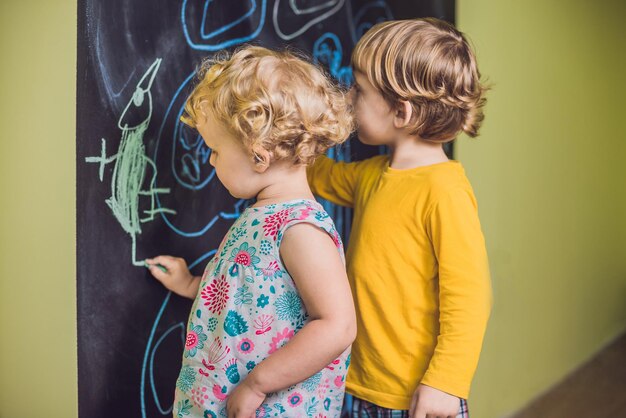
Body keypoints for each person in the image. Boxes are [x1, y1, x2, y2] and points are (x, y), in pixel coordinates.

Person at [146, 45, 356, 418]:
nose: (210, 160)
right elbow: (247, 292)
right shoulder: (260, 215)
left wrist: (259, 383)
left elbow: (337, 326)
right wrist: (190, 285)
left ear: (259, 156)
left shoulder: (301, 229)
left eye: (215, 150)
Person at [307, 18, 492, 418]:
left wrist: (445, 383)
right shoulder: (373, 175)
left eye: (359, 89)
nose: (350, 95)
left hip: (419, 398)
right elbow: (319, 175)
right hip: (359, 384)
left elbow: (470, 299)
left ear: (401, 112)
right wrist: (293, 136)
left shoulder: (444, 192)